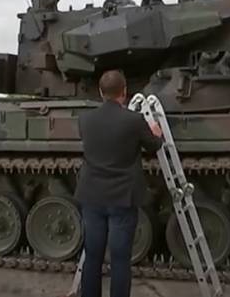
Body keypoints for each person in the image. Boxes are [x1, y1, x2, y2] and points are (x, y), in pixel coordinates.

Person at [74, 70, 163, 297]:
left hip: (92, 196)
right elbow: (153, 145)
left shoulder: (85, 119)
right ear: (124, 92)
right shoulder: (134, 120)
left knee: (92, 255)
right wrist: (157, 133)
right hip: (122, 198)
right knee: (120, 258)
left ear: (101, 92)